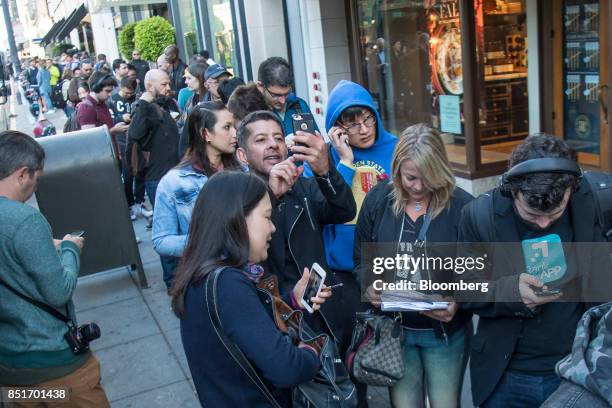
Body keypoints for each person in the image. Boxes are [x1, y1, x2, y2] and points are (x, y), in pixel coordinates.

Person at [458, 134, 612, 407]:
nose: (543, 224)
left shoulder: (600, 197)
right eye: (530, 214)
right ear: (511, 190)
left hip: (578, 369)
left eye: (555, 214)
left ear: (572, 189)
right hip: (506, 375)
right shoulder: (478, 215)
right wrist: (510, 292)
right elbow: (464, 287)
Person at [171, 171, 331, 407]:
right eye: (267, 217)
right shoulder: (228, 284)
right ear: (237, 218)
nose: (273, 228)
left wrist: (294, 301)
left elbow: (244, 325)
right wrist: (311, 353)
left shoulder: (202, 275)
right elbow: (286, 369)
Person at [354, 124, 473, 407]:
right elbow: (361, 257)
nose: (418, 187)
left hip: (444, 335)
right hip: (396, 332)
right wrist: (369, 284)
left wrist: (459, 299)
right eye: (410, 178)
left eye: (427, 179)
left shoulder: (463, 207)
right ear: (397, 170)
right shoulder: (378, 200)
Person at [0, 130, 110, 406]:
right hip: (58, 370)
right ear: (22, 173)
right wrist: (71, 248)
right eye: (37, 180)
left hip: (13, 370)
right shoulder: (25, 220)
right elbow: (59, 291)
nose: (35, 188)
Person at [235, 110, 356, 336]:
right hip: (275, 319)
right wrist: (271, 195)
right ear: (242, 155)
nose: (273, 145)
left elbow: (344, 210)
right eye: (261, 140)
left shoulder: (304, 187)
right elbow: (240, 254)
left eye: (278, 138)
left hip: (322, 312)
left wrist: (325, 171)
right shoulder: (236, 200)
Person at [153, 101, 242, 289]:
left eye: (234, 126)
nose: (235, 133)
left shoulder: (243, 170)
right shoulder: (174, 182)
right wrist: (207, 242)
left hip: (245, 272)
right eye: (227, 127)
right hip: (205, 279)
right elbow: (161, 240)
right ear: (205, 134)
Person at [128, 69, 180, 209]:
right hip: (158, 179)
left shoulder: (168, 103)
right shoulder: (144, 108)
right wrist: (143, 103)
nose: (168, 88)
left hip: (176, 173)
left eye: (169, 84)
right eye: (164, 84)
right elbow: (134, 133)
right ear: (150, 86)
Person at [109, 77, 147, 220]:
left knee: (140, 171)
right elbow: (109, 121)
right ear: (120, 87)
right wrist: (120, 117)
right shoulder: (112, 99)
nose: (128, 96)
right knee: (127, 175)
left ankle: (139, 200)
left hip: (136, 140)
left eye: (131, 93)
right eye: (126, 93)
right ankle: (130, 204)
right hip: (122, 142)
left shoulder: (137, 99)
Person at [256, 57, 318, 138]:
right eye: (276, 95)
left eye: (287, 94)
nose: (283, 101)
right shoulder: (252, 113)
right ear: (260, 86)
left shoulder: (300, 105)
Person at [75, 71, 128, 158]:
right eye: (107, 91)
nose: (110, 94)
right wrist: (113, 130)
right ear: (96, 88)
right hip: (100, 159)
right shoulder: (86, 108)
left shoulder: (103, 103)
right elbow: (90, 138)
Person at [177, 62, 208, 157]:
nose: (186, 82)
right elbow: (182, 123)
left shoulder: (209, 101)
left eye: (189, 78)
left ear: (200, 78)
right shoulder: (191, 100)